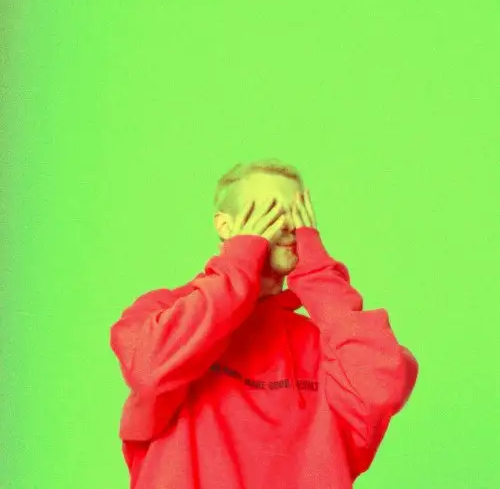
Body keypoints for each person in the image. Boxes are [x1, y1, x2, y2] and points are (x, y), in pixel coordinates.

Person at [110, 159, 419, 489]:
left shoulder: (326, 344)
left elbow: (382, 387)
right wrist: (240, 260)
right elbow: (149, 367)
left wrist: (317, 273)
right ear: (225, 226)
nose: (287, 226)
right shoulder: (161, 312)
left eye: (296, 213)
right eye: (269, 211)